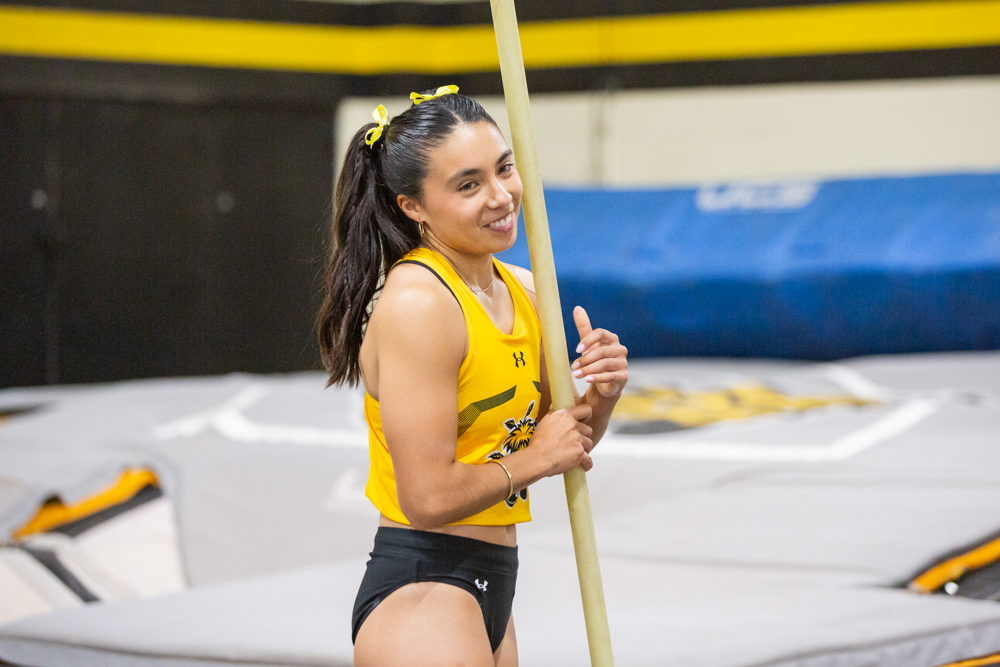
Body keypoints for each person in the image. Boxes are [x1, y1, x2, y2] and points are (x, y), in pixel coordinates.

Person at [316, 86, 628, 667]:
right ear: (413, 206)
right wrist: (536, 459)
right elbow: (428, 496)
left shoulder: (527, 289)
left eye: (504, 169)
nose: (501, 196)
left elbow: (564, 441)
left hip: (492, 584)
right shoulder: (420, 305)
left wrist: (601, 395)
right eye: (468, 184)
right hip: (425, 587)